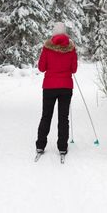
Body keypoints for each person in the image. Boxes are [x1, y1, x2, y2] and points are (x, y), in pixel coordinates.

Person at [36, 22, 78, 155]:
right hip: (66, 87)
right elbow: (74, 69)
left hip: (49, 87)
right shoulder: (71, 48)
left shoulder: (47, 48)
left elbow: (41, 68)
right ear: (65, 33)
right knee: (63, 118)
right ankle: (62, 147)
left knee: (46, 116)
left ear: (53, 33)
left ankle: (40, 145)